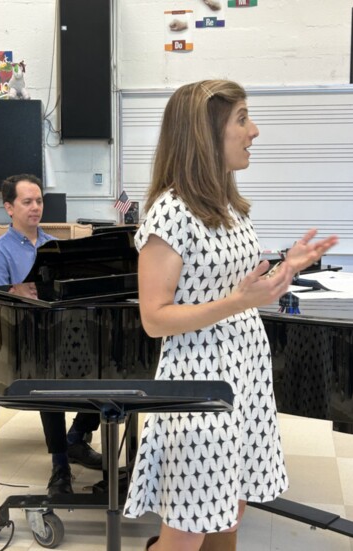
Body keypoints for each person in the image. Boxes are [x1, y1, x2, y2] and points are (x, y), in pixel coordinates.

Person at [122, 80, 338, 551]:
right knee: (189, 525)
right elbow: (155, 318)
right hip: (199, 382)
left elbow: (234, 285)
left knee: (230, 509)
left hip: (243, 375)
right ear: (204, 132)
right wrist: (239, 303)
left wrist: (288, 266)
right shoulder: (170, 214)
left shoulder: (229, 208)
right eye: (242, 118)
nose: (253, 131)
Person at [0, 174, 102, 497]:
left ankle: (77, 435)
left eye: (39, 201)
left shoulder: (54, 247)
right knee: (50, 369)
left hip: (62, 333)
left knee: (106, 361)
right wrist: (15, 292)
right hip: (21, 343)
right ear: (9, 208)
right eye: (27, 202)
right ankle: (60, 464)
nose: (36, 208)